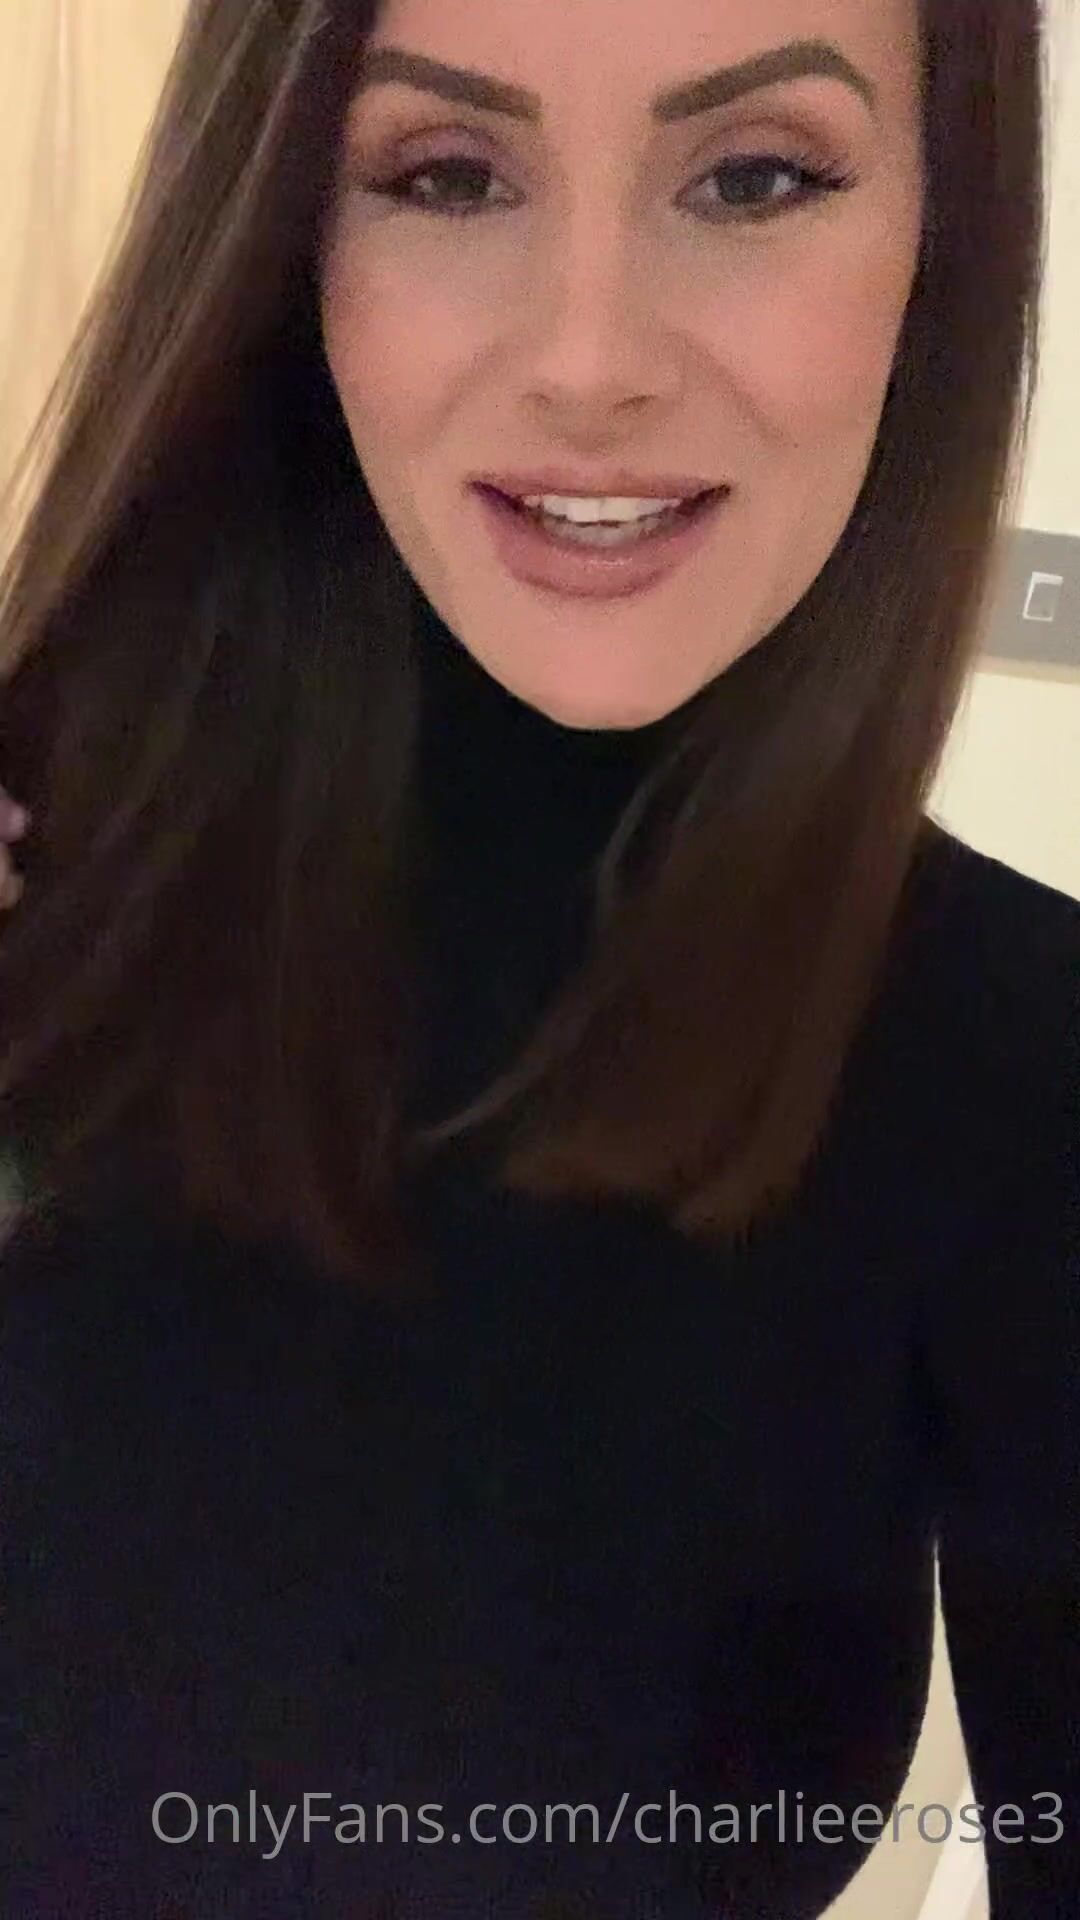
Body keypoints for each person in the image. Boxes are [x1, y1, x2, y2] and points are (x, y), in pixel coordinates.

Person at [0, 0, 1076, 1915]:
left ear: (944, 229)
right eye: (447, 175)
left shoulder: (1016, 1059)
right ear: (288, 235)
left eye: (754, 177)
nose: (589, 363)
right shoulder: (59, 875)